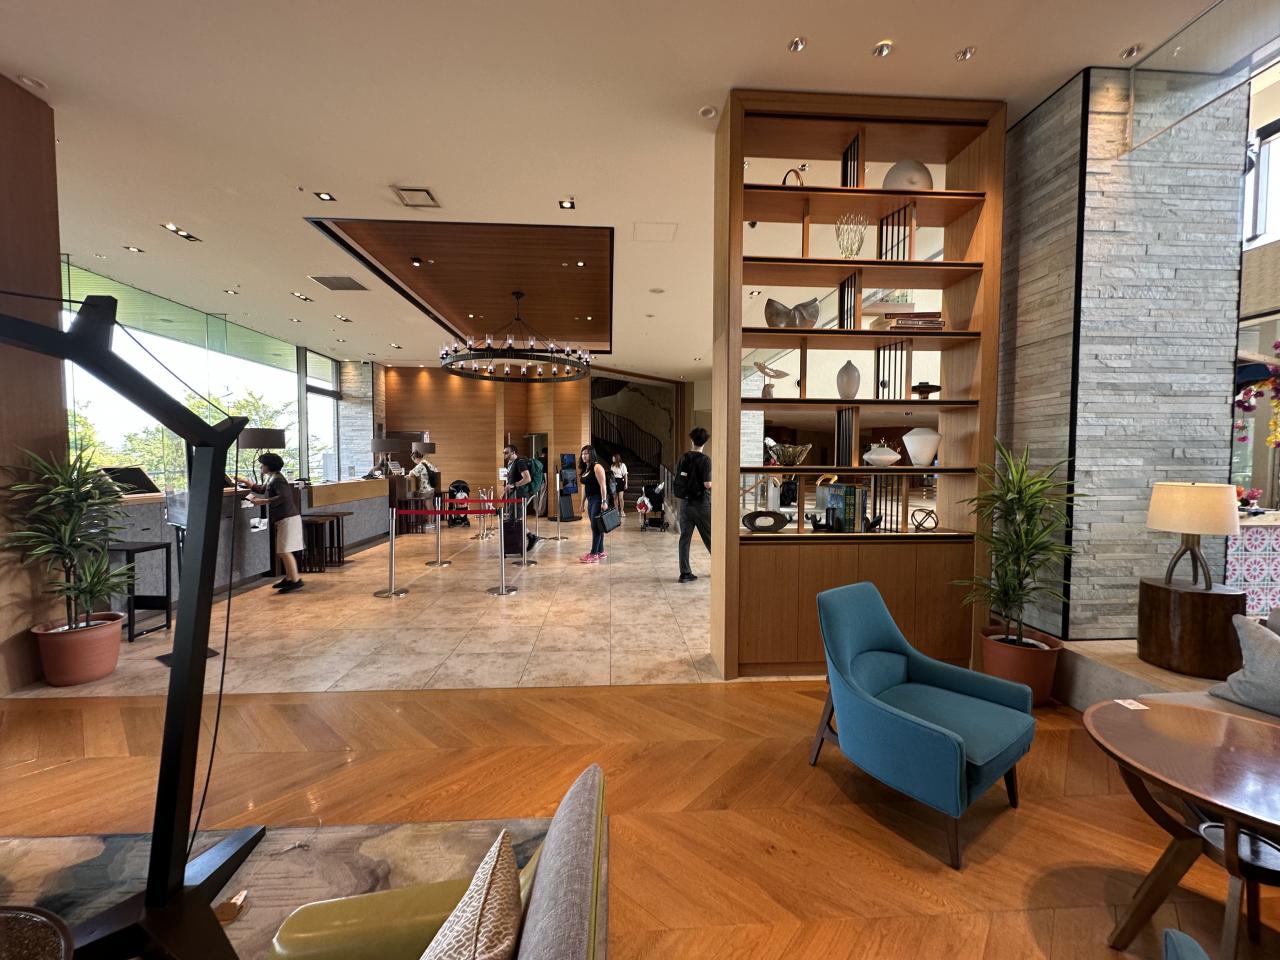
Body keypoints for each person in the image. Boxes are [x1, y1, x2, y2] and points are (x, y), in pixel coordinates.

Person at [236, 452, 304, 593]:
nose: (260, 467)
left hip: (287, 518)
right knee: (283, 550)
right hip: (284, 518)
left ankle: (295, 580)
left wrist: (263, 501)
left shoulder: (277, 479)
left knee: (284, 550)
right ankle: (290, 578)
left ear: (268, 466)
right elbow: (262, 489)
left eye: (262, 465)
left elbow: (283, 497)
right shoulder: (273, 477)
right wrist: (247, 482)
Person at [675, 426, 712, 583]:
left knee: (684, 538)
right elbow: (707, 484)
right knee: (710, 537)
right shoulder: (705, 460)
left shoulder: (683, 458)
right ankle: (721, 567)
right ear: (705, 442)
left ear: (692, 440)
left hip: (685, 503)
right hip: (701, 504)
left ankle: (685, 573)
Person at [503, 443, 537, 553]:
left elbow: (527, 478)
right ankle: (529, 538)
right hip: (514, 495)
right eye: (503, 452)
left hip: (519, 495)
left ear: (513, 452)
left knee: (515, 519)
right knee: (515, 519)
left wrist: (514, 485)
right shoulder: (511, 464)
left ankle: (521, 542)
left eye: (506, 452)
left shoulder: (520, 462)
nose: (504, 454)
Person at [579, 444, 610, 563]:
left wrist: (604, 501)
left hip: (598, 499)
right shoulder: (586, 468)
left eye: (586, 453)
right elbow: (586, 488)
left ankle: (593, 554)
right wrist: (582, 503)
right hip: (590, 500)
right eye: (582, 454)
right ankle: (600, 551)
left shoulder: (597, 467)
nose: (583, 456)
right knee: (597, 526)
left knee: (595, 527)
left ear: (591, 454)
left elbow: (603, 486)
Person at [609, 453, 629, 518]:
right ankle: (616, 511)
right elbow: (611, 475)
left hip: (620, 481)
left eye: (613, 458)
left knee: (621, 498)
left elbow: (625, 475)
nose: (612, 459)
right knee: (615, 498)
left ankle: (622, 511)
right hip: (613, 481)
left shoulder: (622, 465)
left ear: (617, 458)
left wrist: (626, 483)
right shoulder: (612, 466)